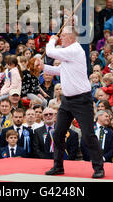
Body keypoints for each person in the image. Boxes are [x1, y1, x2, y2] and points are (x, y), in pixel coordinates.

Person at [35, 26, 105, 178]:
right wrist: (44, 67)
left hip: (81, 100)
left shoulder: (74, 50)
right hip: (67, 100)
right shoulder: (69, 53)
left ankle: (99, 167)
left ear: (71, 37)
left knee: (88, 134)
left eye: (63, 36)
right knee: (58, 133)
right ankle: (58, 166)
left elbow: (51, 52)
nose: (61, 38)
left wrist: (51, 40)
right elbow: (61, 71)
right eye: (60, 37)